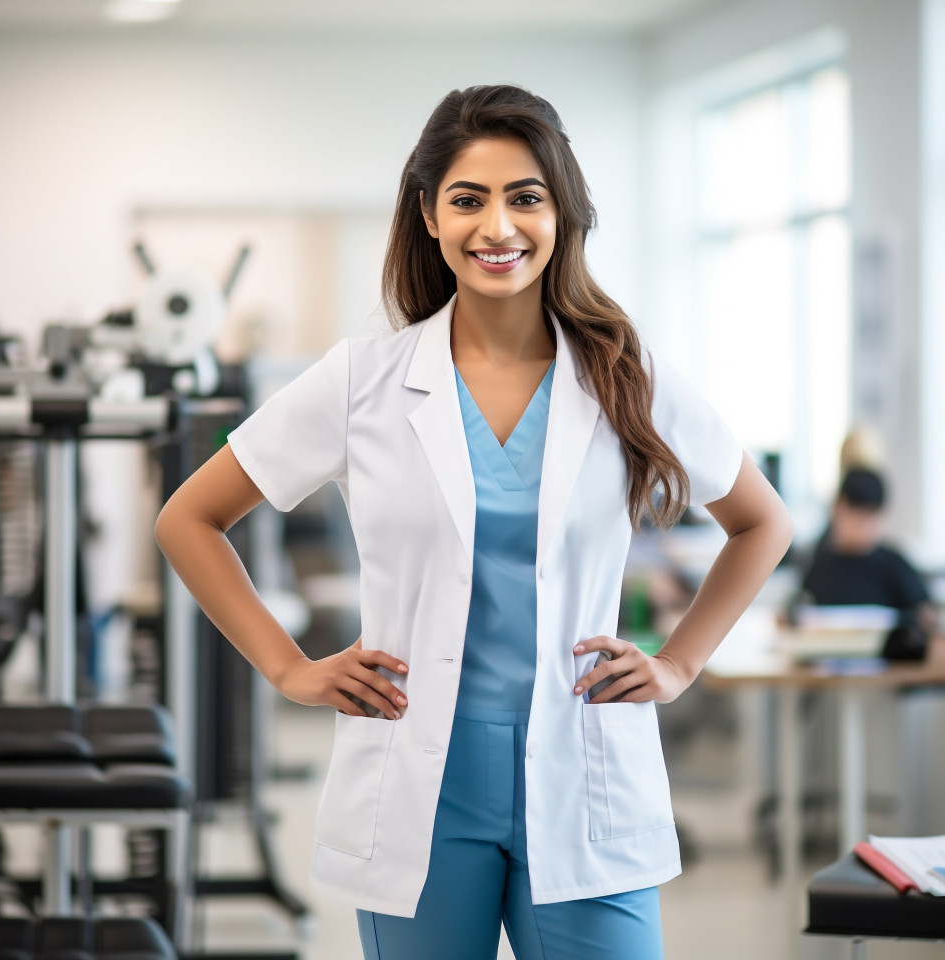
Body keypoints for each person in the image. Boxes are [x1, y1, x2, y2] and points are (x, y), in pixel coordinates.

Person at [155, 84, 792, 960]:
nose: (499, 226)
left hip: (584, 771)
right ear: (428, 215)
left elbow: (762, 523)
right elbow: (190, 518)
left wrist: (681, 660)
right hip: (418, 778)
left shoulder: (625, 374)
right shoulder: (360, 382)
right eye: (468, 199)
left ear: (561, 212)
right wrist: (288, 667)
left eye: (526, 197)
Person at [801, 467, 933, 628]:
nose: (864, 526)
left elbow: (925, 615)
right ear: (838, 508)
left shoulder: (894, 565)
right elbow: (800, 610)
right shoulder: (819, 566)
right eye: (857, 516)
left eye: (871, 517)